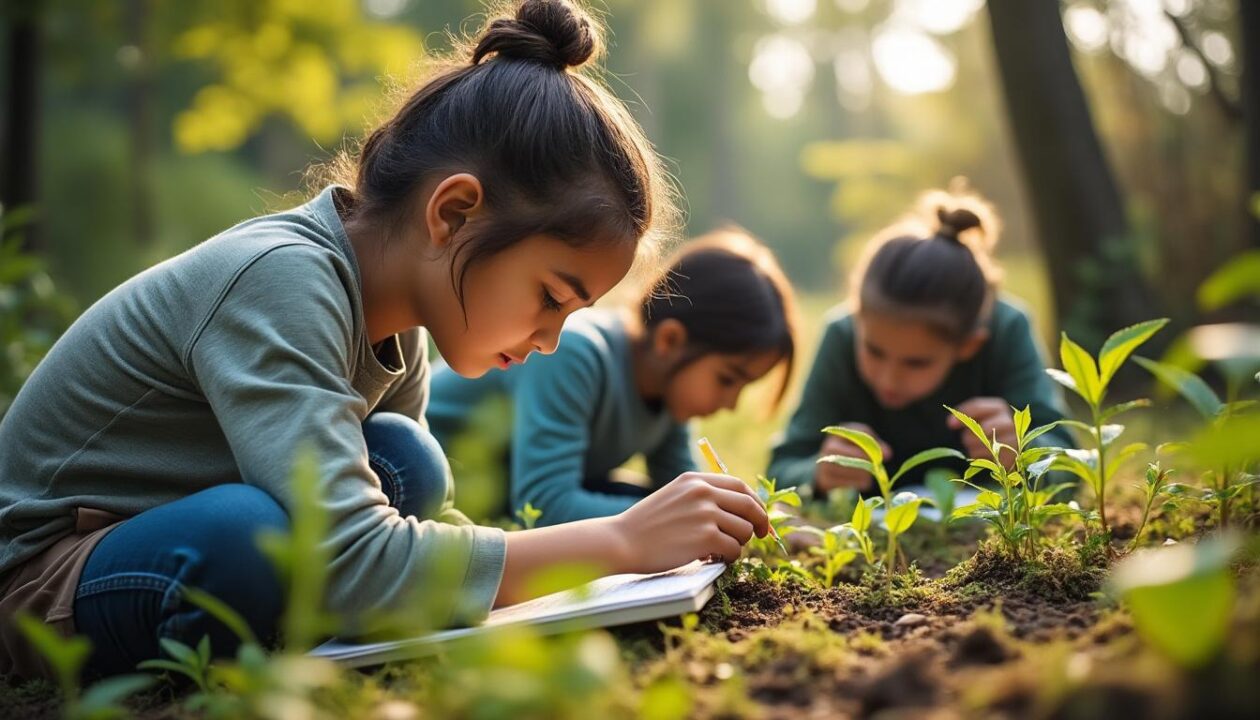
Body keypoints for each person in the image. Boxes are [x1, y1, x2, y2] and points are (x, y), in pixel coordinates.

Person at [0, 0, 768, 679]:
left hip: (174, 529)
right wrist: (618, 543)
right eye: (549, 298)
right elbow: (350, 551)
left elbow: (397, 524)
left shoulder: (397, 328)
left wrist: (588, 579)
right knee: (249, 535)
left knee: (405, 459)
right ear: (453, 213)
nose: (549, 341)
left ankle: (290, 622)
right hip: (48, 575)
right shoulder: (280, 280)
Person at [429, 228, 799, 524]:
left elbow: (685, 488)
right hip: (418, 471)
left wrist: (754, 519)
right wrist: (681, 515)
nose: (731, 404)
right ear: (671, 340)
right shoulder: (571, 353)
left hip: (494, 491)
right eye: (727, 379)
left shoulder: (670, 397)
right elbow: (545, 507)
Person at [767, 184, 1073, 495]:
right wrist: (818, 473)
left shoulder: (1007, 330)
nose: (889, 379)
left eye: (916, 363)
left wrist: (1023, 457)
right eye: (874, 351)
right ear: (859, 318)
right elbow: (782, 468)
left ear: (969, 347)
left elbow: (1071, 463)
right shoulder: (841, 335)